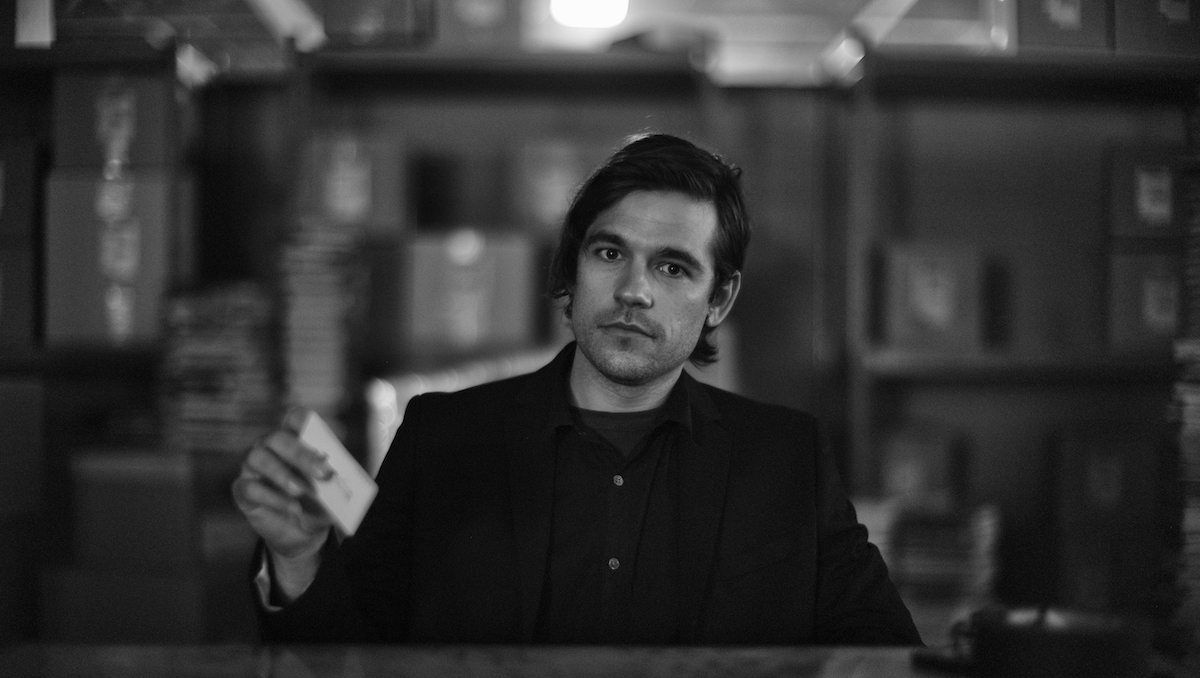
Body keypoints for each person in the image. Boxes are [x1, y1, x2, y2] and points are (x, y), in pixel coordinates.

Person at [233, 132, 921, 646]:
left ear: (720, 299)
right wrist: (298, 559)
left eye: (674, 268)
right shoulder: (444, 437)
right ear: (572, 268)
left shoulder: (785, 458)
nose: (633, 291)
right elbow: (350, 663)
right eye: (610, 253)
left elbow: (885, 656)